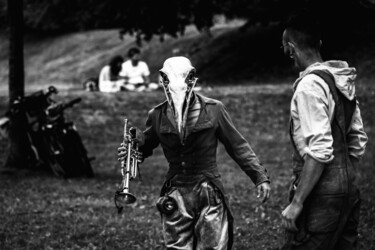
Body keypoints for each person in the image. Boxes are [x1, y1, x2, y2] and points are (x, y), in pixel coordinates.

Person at [118, 56, 271, 249]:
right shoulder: (157, 115)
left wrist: (259, 176)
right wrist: (135, 146)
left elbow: (237, 145)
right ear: (163, 80)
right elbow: (146, 144)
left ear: (192, 79)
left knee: (213, 245)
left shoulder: (214, 109)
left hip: (208, 189)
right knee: (177, 246)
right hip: (176, 192)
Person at [280, 11, 368, 249]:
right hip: (348, 188)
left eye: (285, 49)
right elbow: (358, 139)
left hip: (320, 194)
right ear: (319, 44)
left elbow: (319, 149)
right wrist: (343, 179)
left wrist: (298, 202)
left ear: (290, 48)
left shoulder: (309, 86)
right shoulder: (341, 81)